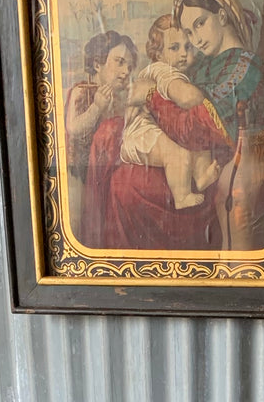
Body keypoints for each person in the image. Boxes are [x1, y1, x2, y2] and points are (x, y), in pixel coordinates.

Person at [119, 17, 220, 210]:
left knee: (195, 136)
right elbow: (188, 97)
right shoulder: (162, 71)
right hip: (142, 135)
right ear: (158, 53)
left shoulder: (175, 71)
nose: (183, 54)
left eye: (188, 47)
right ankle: (182, 197)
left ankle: (200, 177)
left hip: (162, 130)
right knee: (178, 150)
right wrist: (202, 98)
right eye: (174, 48)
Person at [62, 30, 136, 246]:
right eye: (120, 62)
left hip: (107, 170)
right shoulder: (82, 91)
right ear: (97, 64)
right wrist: (96, 108)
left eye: (129, 67)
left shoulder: (122, 99)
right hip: (81, 172)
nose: (126, 71)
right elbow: (73, 128)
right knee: (83, 220)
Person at [172, 0, 264, 140]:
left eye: (200, 24)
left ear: (221, 16)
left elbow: (197, 124)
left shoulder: (247, 66)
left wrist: (152, 95)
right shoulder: (201, 63)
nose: (197, 40)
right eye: (189, 33)